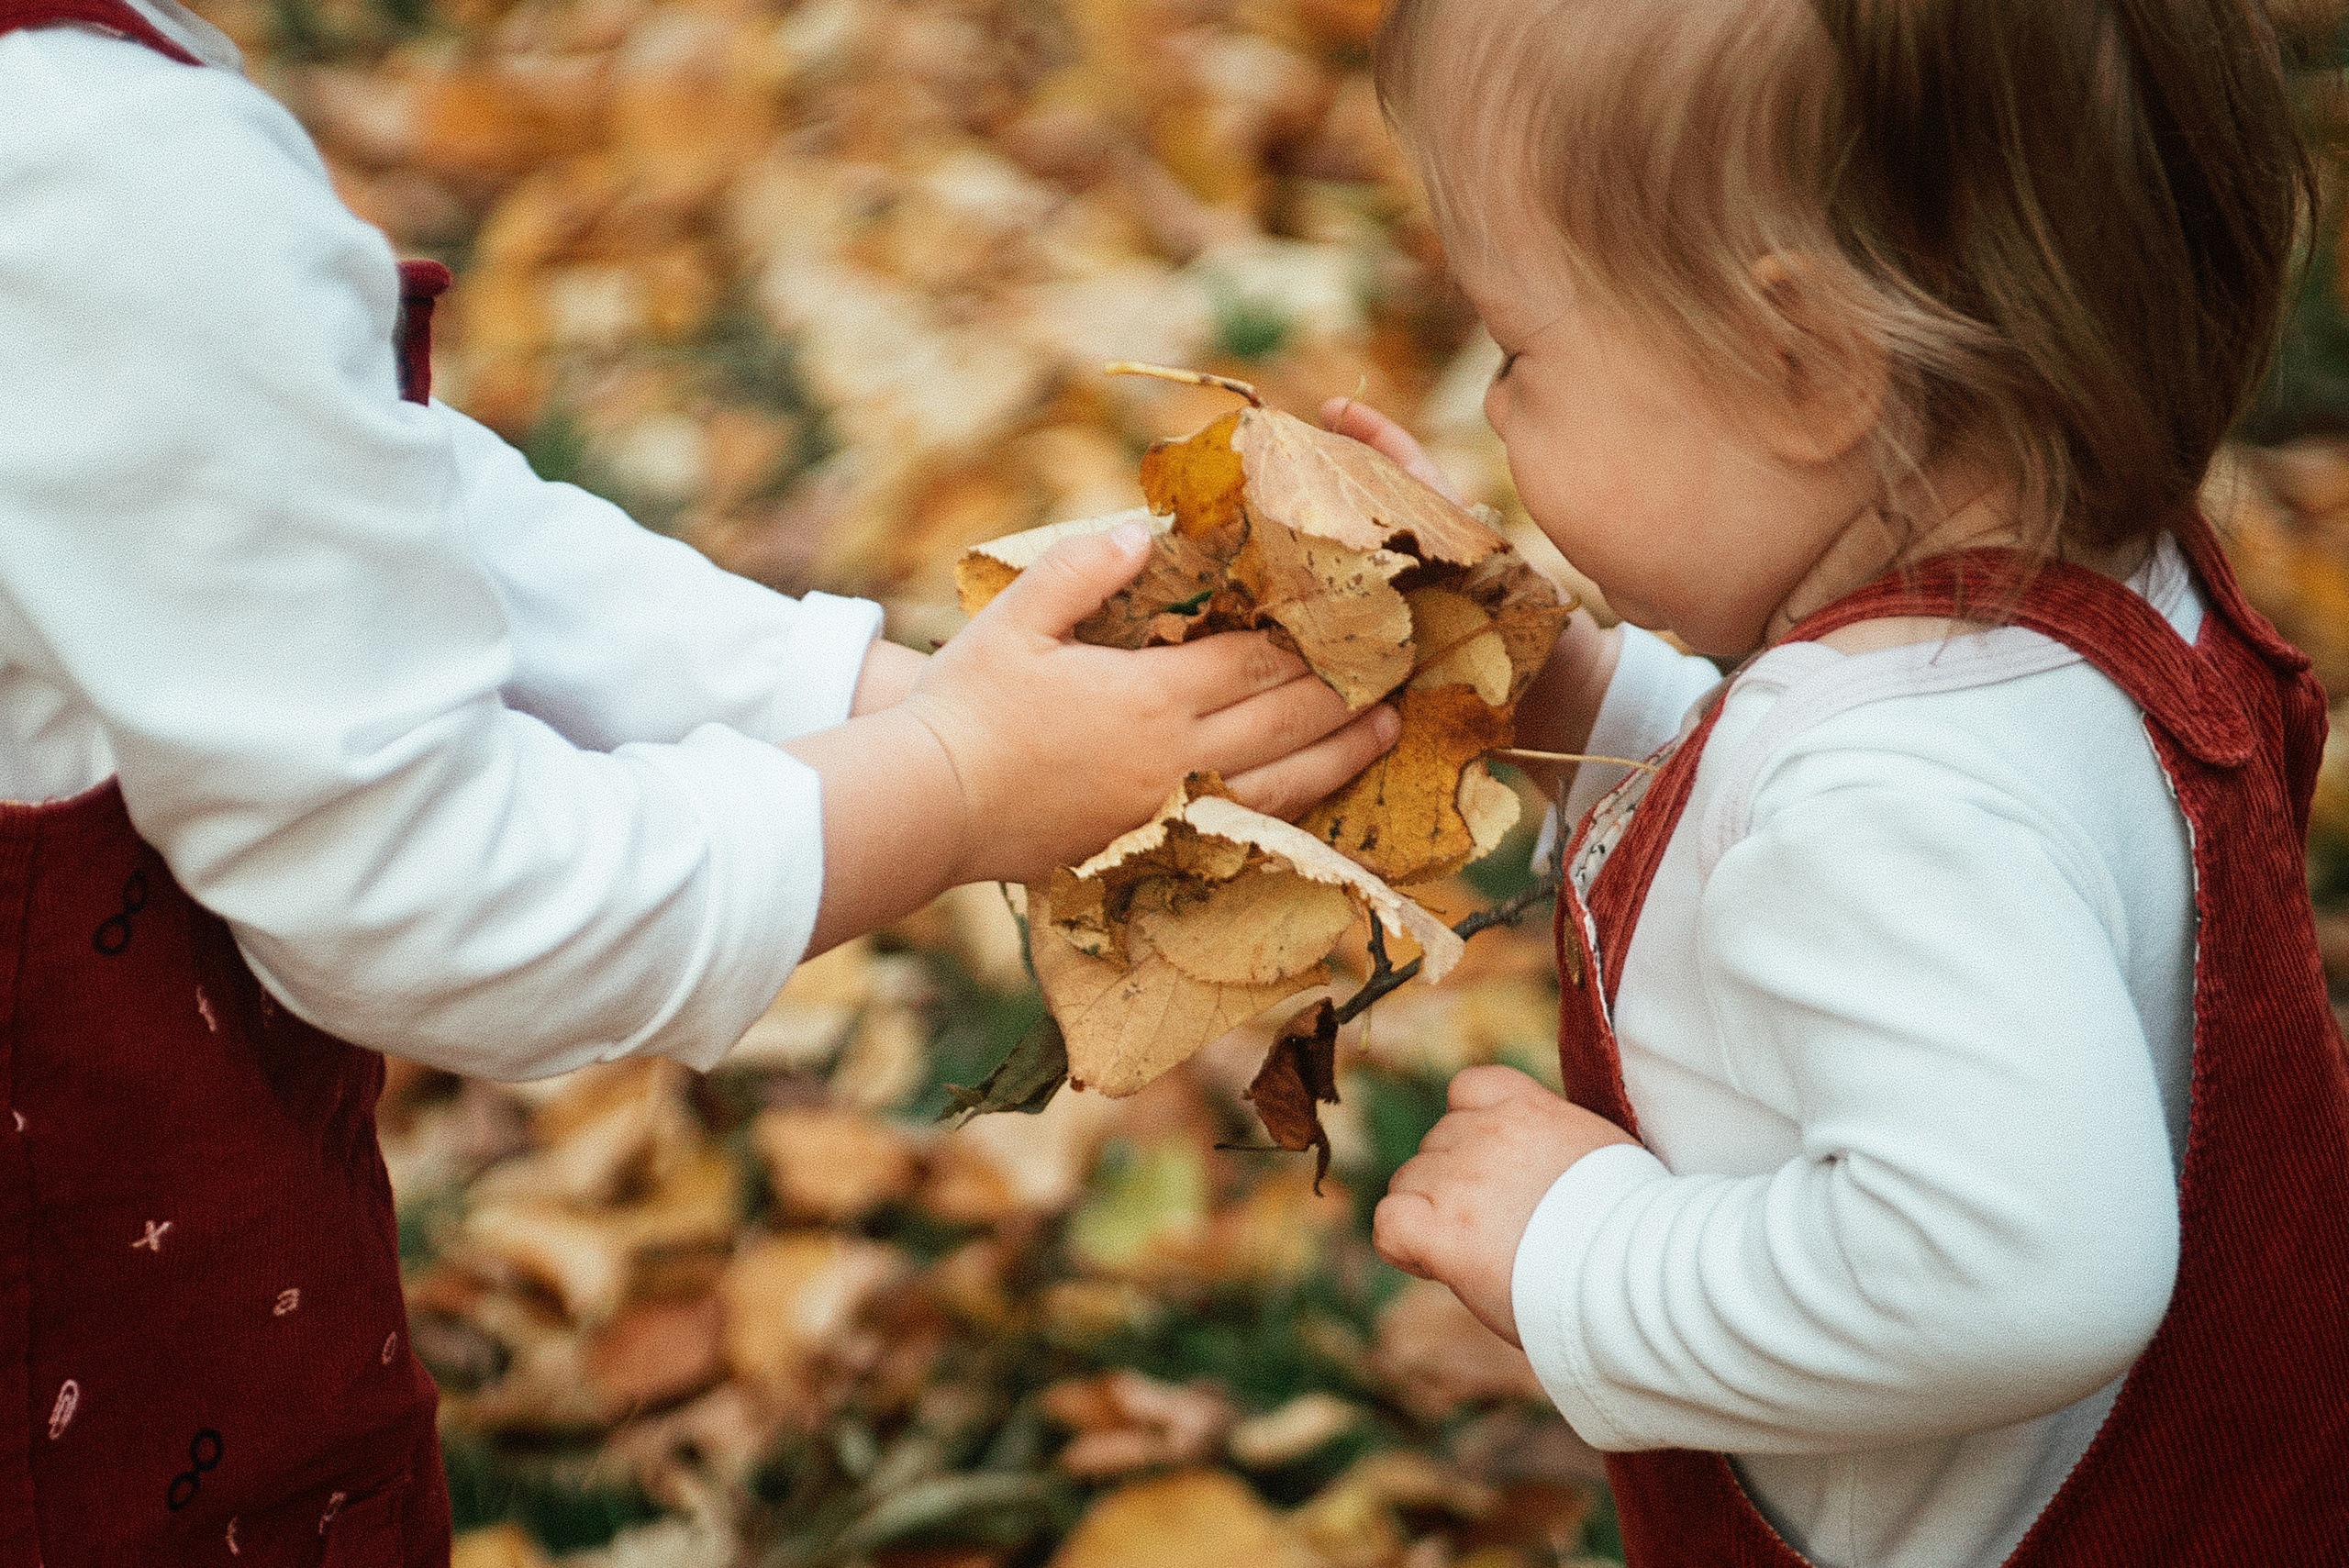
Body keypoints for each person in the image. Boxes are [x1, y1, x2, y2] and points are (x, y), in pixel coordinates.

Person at [0, 0, 1398, 1559]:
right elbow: (440, 888)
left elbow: (343, 517)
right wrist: (950, 783)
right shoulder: (94, 166)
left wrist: (890, 701)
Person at [1353, 2, 2349, 1564]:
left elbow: (2023, 1270)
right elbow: (1782, 807)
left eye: (1517, 349)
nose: (1491, 409)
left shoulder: (1895, 800)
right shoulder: (2069, 630)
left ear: (1800, 363)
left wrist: (1588, 1252)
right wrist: (1553, 689)